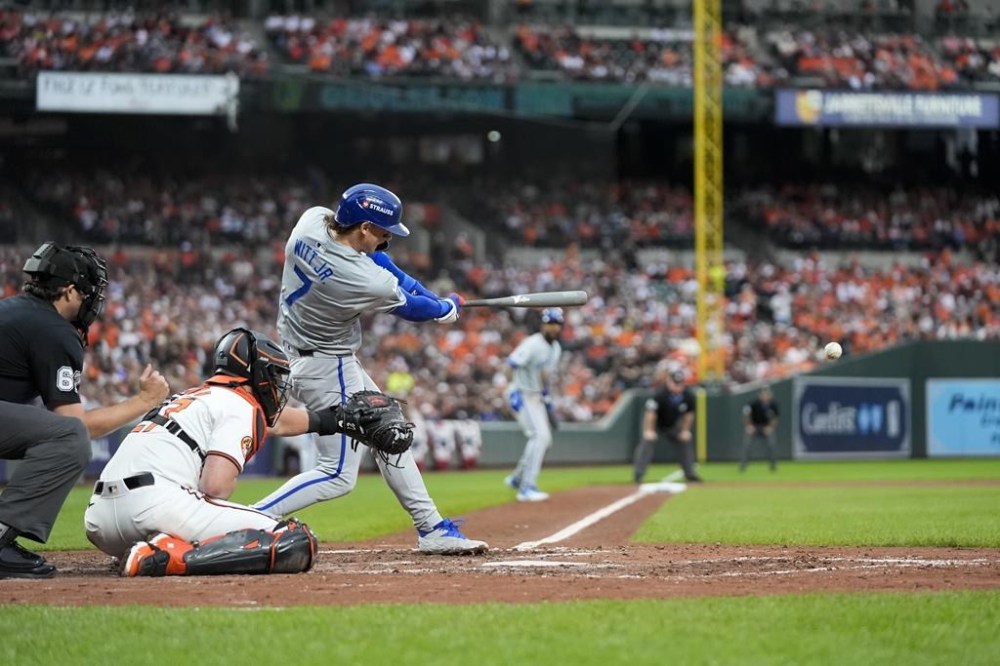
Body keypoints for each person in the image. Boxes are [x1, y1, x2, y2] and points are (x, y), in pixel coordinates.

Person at [252, 183, 488, 554]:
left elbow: (383, 264)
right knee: (336, 473)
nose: (387, 239)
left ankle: (431, 527)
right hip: (329, 366)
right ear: (364, 227)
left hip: (302, 353)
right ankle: (247, 518)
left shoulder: (311, 221)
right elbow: (411, 308)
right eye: (382, 232)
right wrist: (445, 309)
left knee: (390, 435)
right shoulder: (360, 280)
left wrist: (431, 294)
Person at [85, 327, 376, 577]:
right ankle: (168, 557)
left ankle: (154, 547)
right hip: (154, 507)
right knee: (295, 540)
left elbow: (274, 423)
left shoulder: (195, 395)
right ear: (257, 373)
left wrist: (333, 420)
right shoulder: (241, 404)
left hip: (101, 520)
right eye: (274, 375)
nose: (277, 386)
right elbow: (215, 487)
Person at [0, 242, 169, 579]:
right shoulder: (53, 328)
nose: (92, 299)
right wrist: (144, 402)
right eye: (87, 291)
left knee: (41, 421)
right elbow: (74, 427)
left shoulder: (15, 311)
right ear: (68, 291)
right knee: (69, 437)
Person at [503, 307, 564, 502]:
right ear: (543, 325)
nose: (554, 327)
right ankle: (526, 487)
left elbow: (544, 373)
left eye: (557, 324)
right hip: (521, 393)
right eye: (550, 323)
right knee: (539, 436)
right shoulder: (532, 343)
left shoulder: (555, 348)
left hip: (535, 395)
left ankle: (517, 478)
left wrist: (546, 397)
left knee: (545, 440)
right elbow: (510, 365)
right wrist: (511, 388)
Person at [633, 368, 701, 484]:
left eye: (680, 384)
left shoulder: (688, 395)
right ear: (669, 382)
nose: (677, 387)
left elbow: (689, 415)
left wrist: (685, 430)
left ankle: (690, 474)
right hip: (655, 423)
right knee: (647, 442)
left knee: (685, 442)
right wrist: (649, 430)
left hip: (673, 424)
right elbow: (651, 413)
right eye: (675, 383)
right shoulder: (660, 394)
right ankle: (638, 474)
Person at [740, 386, 779, 472]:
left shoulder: (773, 405)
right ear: (759, 395)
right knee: (747, 444)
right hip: (754, 427)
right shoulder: (753, 404)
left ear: (770, 395)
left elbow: (775, 419)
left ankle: (773, 465)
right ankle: (743, 465)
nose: (765, 396)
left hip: (766, 427)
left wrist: (771, 427)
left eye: (767, 394)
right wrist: (748, 426)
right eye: (763, 394)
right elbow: (746, 415)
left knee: (772, 443)